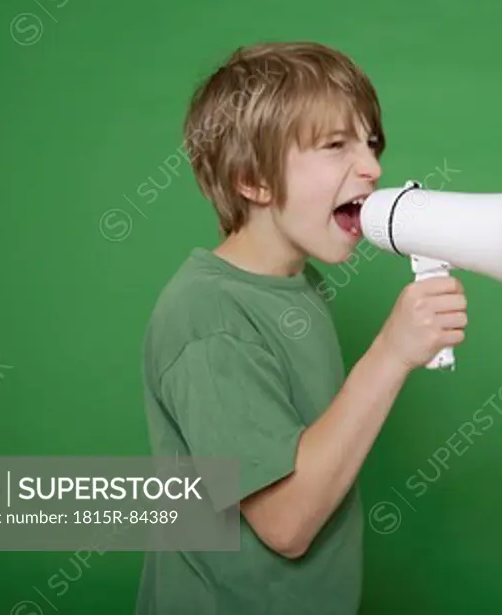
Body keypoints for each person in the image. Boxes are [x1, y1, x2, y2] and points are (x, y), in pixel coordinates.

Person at [135, 42, 467, 615]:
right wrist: (390, 353)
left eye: (370, 143)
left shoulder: (300, 285)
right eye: (336, 145)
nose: (372, 167)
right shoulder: (208, 317)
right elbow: (286, 523)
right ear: (253, 179)